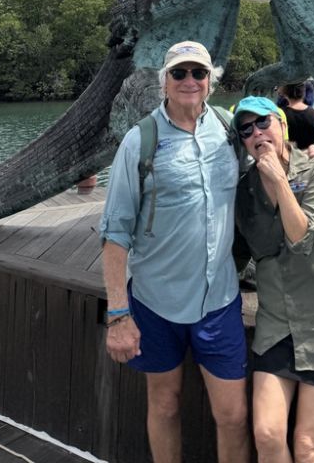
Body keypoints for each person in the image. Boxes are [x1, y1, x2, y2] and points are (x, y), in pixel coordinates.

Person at [99, 41, 249, 463]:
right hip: (155, 301)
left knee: (233, 415)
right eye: (179, 73)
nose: (189, 81)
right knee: (164, 405)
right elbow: (115, 233)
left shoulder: (228, 129)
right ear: (164, 81)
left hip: (218, 300)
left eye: (198, 73)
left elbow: (272, 150)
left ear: (210, 81)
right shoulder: (139, 141)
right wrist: (118, 315)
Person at [233, 97, 314, 463]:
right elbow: (232, 256)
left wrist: (278, 178)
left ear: (282, 126)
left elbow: (302, 239)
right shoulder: (244, 193)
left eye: (263, 123)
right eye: (246, 130)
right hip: (277, 324)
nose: (256, 133)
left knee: (308, 446)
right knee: (267, 433)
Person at [279, 81, 314, 149]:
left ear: (285, 94)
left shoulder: (280, 114)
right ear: (304, 93)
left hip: (291, 157)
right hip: (312, 157)